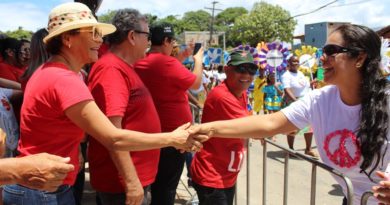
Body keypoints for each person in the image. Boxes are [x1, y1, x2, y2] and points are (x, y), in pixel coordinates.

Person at [2, 3, 206, 205]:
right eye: (92, 33)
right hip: (42, 191)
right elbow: (113, 138)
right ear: (67, 38)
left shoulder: (54, 72)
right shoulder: (64, 79)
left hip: (43, 186)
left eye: (99, 33)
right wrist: (172, 138)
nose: (99, 40)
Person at [191, 24, 390, 205]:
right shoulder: (319, 100)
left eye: (331, 51)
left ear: (360, 58)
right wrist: (204, 129)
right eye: (322, 50)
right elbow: (269, 123)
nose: (322, 57)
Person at [87, 8, 164, 205]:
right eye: (147, 35)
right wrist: (131, 181)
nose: (149, 42)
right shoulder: (112, 69)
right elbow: (113, 131)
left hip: (130, 181)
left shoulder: (121, 67)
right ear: (132, 36)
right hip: (121, 186)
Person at [134, 22, 204, 205]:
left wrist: (182, 56)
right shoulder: (167, 63)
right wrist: (198, 59)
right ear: (166, 40)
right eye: (172, 41)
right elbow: (196, 85)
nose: (174, 45)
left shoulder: (142, 60)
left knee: (156, 184)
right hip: (173, 138)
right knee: (166, 188)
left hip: (154, 134)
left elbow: (164, 69)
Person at [190, 50, 256, 205]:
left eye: (251, 70)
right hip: (212, 175)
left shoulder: (241, 92)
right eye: (241, 69)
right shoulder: (222, 96)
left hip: (225, 173)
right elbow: (255, 128)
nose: (246, 75)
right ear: (227, 70)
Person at [282, 55, 318, 158]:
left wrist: (311, 83)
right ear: (289, 62)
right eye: (293, 62)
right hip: (294, 102)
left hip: (305, 102)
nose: (296, 63)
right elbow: (287, 90)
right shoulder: (286, 75)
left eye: (297, 61)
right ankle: (291, 149)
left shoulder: (301, 73)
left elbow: (304, 86)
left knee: (309, 127)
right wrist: (296, 101)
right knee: (292, 127)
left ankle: (308, 149)